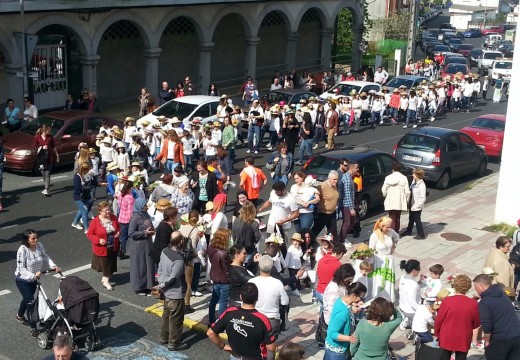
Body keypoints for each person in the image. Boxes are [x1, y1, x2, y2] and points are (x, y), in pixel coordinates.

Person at [207, 283, 276, 360]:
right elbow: (270, 348)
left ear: (241, 297)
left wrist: (223, 346)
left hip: (235, 356)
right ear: (257, 298)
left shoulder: (229, 312)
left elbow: (210, 333)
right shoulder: (263, 319)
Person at [15, 229, 61, 337]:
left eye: (36, 237)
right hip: (23, 280)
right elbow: (21, 268)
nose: (36, 240)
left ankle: (19, 315)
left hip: (35, 279)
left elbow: (45, 257)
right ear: (27, 240)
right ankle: (33, 327)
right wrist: (33, 275)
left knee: (27, 298)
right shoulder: (22, 250)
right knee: (30, 301)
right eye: (33, 238)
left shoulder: (39, 245)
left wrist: (53, 266)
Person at [473, 274, 520, 360]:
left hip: (501, 340)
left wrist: (487, 341)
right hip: (516, 335)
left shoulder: (484, 303)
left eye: (476, 288)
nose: (475, 290)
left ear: (482, 287)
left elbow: (487, 325)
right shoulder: (501, 293)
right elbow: (494, 302)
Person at [434, 275, 480, 360]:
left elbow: (439, 320)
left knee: (445, 355)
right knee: (461, 357)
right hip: (464, 335)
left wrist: (437, 333)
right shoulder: (473, 304)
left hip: (447, 334)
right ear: (468, 288)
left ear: (454, 286)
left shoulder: (447, 301)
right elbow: (477, 322)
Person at [249, 255, 289, 350]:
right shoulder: (277, 283)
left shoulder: (251, 281)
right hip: (272, 319)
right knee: (270, 346)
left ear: (259, 266)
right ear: (272, 267)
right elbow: (285, 301)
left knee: (254, 343)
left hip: (254, 317)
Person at [157, 231, 190, 351]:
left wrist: (161, 282)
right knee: (176, 320)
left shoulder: (165, 251)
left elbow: (160, 267)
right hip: (176, 293)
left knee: (166, 315)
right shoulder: (178, 260)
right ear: (180, 242)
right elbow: (174, 277)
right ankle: (174, 343)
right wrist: (164, 283)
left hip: (166, 293)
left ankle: (164, 338)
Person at [324, 282, 367, 360]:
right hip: (337, 351)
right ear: (354, 295)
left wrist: (354, 305)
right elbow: (332, 333)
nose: (362, 299)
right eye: (361, 297)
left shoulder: (341, 299)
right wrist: (349, 338)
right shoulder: (343, 313)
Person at [86, 201, 120, 291]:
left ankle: (105, 278)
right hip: (103, 248)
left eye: (109, 209)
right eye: (105, 211)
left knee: (111, 263)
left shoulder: (113, 217)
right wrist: (98, 240)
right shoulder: (95, 221)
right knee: (106, 265)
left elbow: (118, 227)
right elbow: (89, 234)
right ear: (100, 211)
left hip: (113, 245)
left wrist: (118, 233)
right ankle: (106, 280)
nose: (108, 212)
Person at [129, 198, 156, 296]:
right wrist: (145, 232)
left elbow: (150, 224)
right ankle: (139, 287)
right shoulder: (135, 218)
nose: (146, 207)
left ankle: (148, 285)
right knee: (139, 265)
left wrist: (151, 230)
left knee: (148, 264)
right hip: (138, 246)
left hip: (147, 243)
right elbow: (131, 233)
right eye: (144, 205)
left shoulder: (146, 214)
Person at [368, 216, 399, 302]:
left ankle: (388, 299)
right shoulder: (374, 235)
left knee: (388, 280)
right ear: (381, 226)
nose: (389, 228)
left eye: (390, 226)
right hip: (378, 260)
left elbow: (397, 237)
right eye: (387, 227)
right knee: (379, 280)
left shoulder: (391, 232)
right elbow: (370, 250)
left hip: (389, 259)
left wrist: (393, 248)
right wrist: (370, 263)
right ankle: (378, 299)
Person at [207, 228, 231, 324]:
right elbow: (226, 270)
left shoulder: (211, 248)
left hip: (215, 278)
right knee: (223, 303)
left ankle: (211, 319)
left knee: (214, 300)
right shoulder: (223, 254)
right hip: (224, 281)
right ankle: (222, 323)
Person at [232, 200, 262, 272]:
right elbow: (257, 238)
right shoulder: (254, 223)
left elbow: (234, 235)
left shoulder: (236, 221)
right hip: (250, 249)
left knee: (239, 270)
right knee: (251, 270)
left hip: (238, 249)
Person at [316, 243, 347, 308]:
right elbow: (339, 281)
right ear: (341, 253)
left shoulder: (321, 260)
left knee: (322, 312)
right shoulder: (338, 265)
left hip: (319, 291)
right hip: (328, 293)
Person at [381, 162, 410, 232]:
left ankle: (392, 233)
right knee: (398, 217)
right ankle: (396, 232)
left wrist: (386, 196)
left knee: (392, 217)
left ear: (392, 169)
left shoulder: (387, 178)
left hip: (390, 200)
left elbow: (383, 190)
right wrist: (406, 200)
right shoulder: (404, 178)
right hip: (399, 200)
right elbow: (407, 192)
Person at [312, 170, 340, 241]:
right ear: (329, 179)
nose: (336, 181)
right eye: (334, 179)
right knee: (315, 231)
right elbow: (315, 195)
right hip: (322, 214)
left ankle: (336, 249)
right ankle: (307, 246)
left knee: (333, 233)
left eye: (337, 179)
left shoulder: (335, 186)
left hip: (332, 213)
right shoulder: (323, 186)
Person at [33, 124, 59, 196]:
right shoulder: (37, 137)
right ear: (45, 130)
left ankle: (46, 188)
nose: (50, 132)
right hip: (41, 158)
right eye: (49, 130)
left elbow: (54, 146)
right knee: (43, 173)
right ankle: (46, 186)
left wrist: (57, 155)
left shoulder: (50, 137)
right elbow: (35, 147)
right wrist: (41, 147)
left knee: (47, 173)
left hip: (49, 157)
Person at [398, 259, 421, 338]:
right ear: (414, 270)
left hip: (402, 306)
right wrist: (421, 309)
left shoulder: (403, 277)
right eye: (419, 269)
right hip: (411, 310)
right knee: (420, 324)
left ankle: (405, 321)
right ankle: (413, 333)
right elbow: (412, 301)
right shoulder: (413, 284)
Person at [401, 168, 426, 240]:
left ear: (417, 175)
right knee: (411, 219)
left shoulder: (422, 185)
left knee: (417, 220)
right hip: (412, 204)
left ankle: (421, 234)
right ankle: (409, 231)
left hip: (416, 206)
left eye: (414, 174)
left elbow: (422, 198)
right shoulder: (414, 182)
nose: (412, 175)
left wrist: (417, 206)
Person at [339, 162, 359, 247]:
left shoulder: (349, 177)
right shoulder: (347, 178)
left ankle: (343, 237)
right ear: (351, 168)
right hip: (346, 205)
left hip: (349, 204)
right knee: (347, 223)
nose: (357, 170)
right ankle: (342, 240)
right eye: (356, 168)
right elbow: (347, 194)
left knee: (352, 222)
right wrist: (351, 208)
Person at [71, 162, 94, 232]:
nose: (89, 171)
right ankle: (87, 229)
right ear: (85, 170)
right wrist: (84, 186)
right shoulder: (77, 176)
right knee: (85, 210)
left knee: (82, 210)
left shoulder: (87, 174)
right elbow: (77, 188)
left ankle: (74, 223)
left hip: (86, 195)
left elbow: (92, 182)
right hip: (79, 197)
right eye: (88, 169)